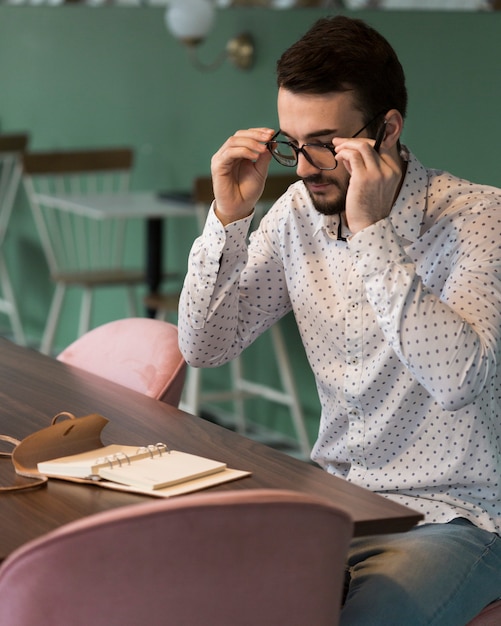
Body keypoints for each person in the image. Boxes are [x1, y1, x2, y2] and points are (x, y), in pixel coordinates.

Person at [178, 15, 501, 625]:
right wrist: (227, 218)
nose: (302, 168)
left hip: (456, 517)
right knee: (202, 590)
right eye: (292, 144)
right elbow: (205, 344)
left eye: (325, 144)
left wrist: (374, 235)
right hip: (334, 501)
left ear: (386, 130)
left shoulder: (479, 218)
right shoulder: (298, 211)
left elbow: (458, 381)